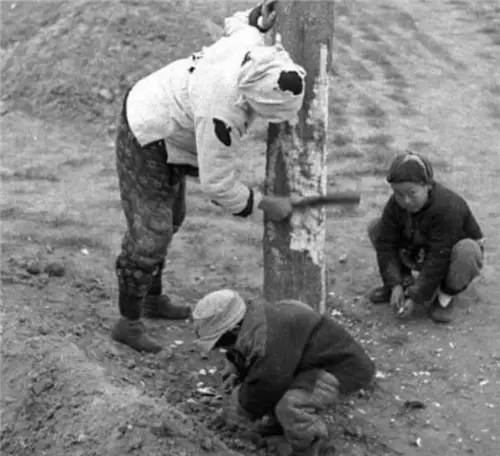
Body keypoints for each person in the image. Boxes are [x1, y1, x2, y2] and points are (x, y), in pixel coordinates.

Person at [111, 0, 307, 353]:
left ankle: (152, 300)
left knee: (172, 217)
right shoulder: (222, 113)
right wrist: (262, 204)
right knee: (150, 233)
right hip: (148, 129)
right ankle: (128, 322)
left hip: (175, 125)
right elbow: (217, 185)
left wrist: (258, 17)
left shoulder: (255, 52)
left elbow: (240, 25)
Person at [191, 289, 376, 456]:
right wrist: (236, 371)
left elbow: (266, 385)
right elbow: (248, 358)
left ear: (234, 329)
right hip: (304, 362)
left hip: (341, 368)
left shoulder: (268, 338)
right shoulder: (254, 319)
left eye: (219, 343)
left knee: (290, 405)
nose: (219, 349)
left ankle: (311, 446)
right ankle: (279, 427)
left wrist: (237, 407)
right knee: (270, 383)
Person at [367, 151, 485, 323]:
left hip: (450, 257)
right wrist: (394, 283)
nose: (405, 200)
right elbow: (386, 245)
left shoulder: (449, 207)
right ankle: (402, 286)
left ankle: (444, 297)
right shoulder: (395, 205)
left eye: (412, 192)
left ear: (428, 186)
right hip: (422, 250)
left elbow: (440, 256)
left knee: (468, 251)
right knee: (377, 228)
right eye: (398, 193)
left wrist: (416, 297)